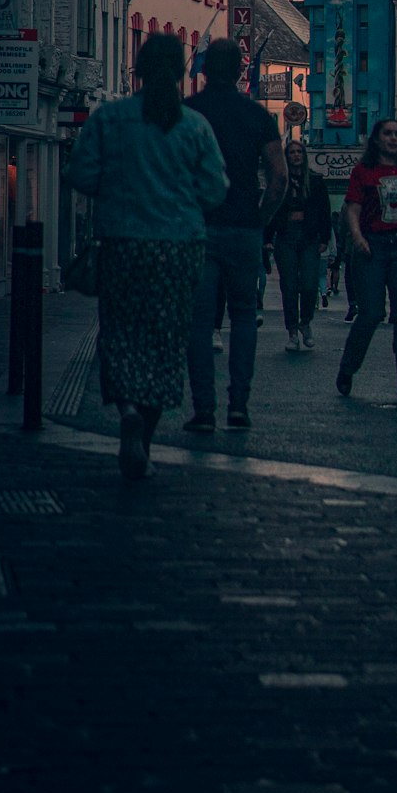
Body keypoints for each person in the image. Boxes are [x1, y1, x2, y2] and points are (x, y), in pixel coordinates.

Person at [64, 32, 228, 480]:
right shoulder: (194, 127)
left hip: (122, 243)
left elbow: (79, 172)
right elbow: (216, 189)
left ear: (136, 69)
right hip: (178, 248)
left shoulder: (111, 119)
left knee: (119, 333)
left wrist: (118, 188)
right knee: (165, 341)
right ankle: (146, 434)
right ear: (180, 73)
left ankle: (127, 408)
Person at [183, 38, 287, 432]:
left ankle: (204, 408)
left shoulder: (189, 112)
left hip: (199, 224)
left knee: (200, 320)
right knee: (244, 316)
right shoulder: (257, 116)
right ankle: (239, 403)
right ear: (242, 70)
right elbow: (279, 176)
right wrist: (261, 218)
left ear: (204, 70)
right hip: (244, 224)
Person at [336, 118, 397, 401]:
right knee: (371, 313)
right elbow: (353, 207)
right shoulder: (364, 171)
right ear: (376, 139)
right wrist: (357, 238)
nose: (394, 139)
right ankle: (348, 368)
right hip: (373, 246)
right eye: (388, 134)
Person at [264, 139, 332, 351]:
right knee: (289, 285)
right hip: (286, 237)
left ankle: (306, 322)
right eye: (292, 152)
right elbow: (271, 208)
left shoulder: (314, 181)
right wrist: (266, 238)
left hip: (308, 237)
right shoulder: (280, 180)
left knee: (310, 284)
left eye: (298, 152)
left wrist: (324, 238)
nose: (295, 156)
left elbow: (324, 211)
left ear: (303, 156)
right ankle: (292, 330)